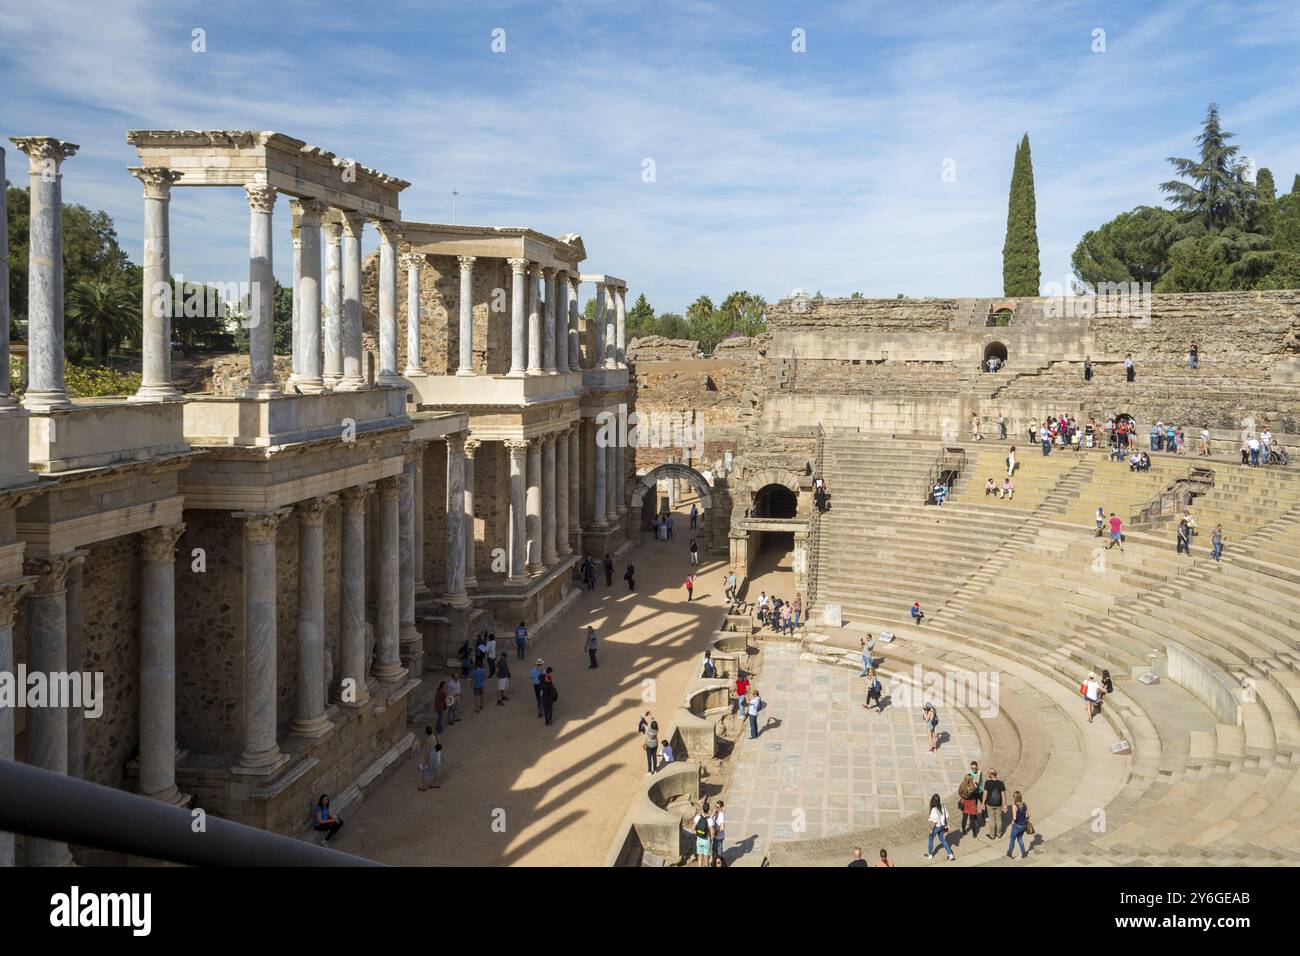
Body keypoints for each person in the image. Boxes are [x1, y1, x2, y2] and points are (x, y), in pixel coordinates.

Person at [923, 793, 955, 861]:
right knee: (942, 839)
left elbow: (935, 822)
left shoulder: (934, 809)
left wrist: (931, 829)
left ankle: (930, 854)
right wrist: (947, 825)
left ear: (932, 801)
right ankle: (950, 854)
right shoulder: (943, 806)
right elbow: (946, 816)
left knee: (931, 839)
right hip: (943, 826)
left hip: (937, 827)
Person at [983, 769, 1006, 840]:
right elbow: (1003, 795)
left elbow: (985, 794)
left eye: (988, 773)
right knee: (999, 819)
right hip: (999, 804)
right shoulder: (1001, 783)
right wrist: (1005, 805)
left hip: (990, 804)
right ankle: (999, 834)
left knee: (992, 819)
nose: (988, 774)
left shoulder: (987, 783)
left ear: (991, 774)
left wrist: (983, 803)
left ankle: (992, 835)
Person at [1007, 791, 1031, 859]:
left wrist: (1013, 822)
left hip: (1017, 826)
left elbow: (1014, 818)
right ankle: (1024, 853)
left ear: (1015, 798)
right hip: (1023, 826)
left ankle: (1009, 853)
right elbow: (1028, 814)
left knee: (1012, 840)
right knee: (1020, 839)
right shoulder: (1024, 804)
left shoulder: (1014, 806)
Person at [417, 726, 441, 791]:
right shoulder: (434, 736)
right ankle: (436, 783)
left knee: (423, 771)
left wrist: (425, 761)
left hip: (431, 756)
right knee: (435, 769)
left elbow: (427, 751)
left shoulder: (428, 740)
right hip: (435, 754)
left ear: (426, 732)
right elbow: (438, 744)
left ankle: (423, 787)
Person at [692, 802, 713, 867]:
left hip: (699, 840)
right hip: (706, 840)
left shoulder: (697, 817)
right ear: (708, 809)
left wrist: (698, 832)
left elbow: (692, 829)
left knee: (700, 857)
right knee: (706, 858)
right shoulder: (710, 820)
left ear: (702, 809)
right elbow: (713, 832)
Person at [711, 800, 726, 866]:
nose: (716, 808)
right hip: (715, 837)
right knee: (715, 852)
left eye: (717, 807)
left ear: (721, 808)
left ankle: (720, 865)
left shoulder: (721, 815)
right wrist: (713, 813)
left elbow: (722, 827)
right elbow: (710, 820)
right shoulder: (716, 813)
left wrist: (716, 832)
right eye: (715, 806)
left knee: (719, 854)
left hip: (719, 837)